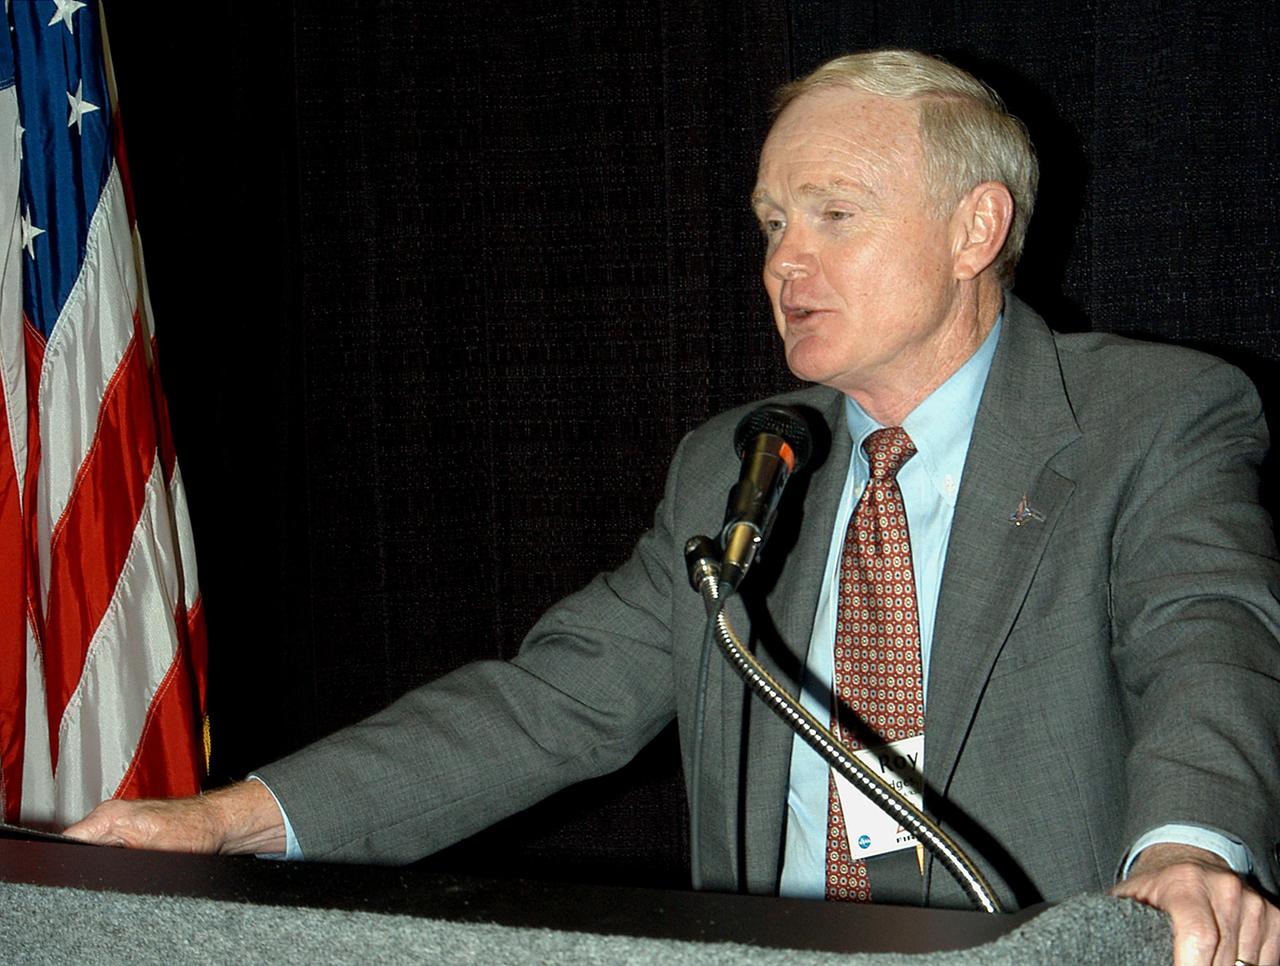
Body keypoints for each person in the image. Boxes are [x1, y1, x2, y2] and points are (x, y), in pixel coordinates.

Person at [68, 49, 1280, 966]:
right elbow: (548, 704)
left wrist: (1185, 854)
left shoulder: (1149, 417)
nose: (779, 262)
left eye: (831, 214)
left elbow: (1208, 647)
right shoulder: (740, 465)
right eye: (768, 222)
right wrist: (231, 823)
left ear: (975, 227)